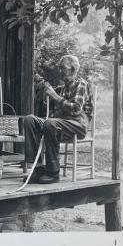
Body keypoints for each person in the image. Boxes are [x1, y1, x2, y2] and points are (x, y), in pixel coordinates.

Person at [23, 55, 93, 184]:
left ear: (73, 69)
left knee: (50, 123)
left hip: (77, 124)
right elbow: (49, 106)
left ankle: (53, 172)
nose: (60, 71)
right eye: (59, 68)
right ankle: (37, 168)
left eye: (63, 68)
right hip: (59, 123)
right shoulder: (62, 87)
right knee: (29, 120)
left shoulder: (81, 84)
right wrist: (42, 90)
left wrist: (55, 97)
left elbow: (76, 109)